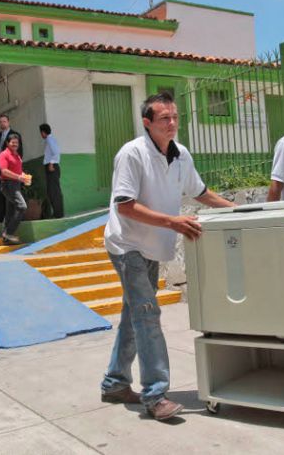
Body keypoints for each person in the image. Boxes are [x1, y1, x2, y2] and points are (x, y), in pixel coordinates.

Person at [100, 92, 235, 421]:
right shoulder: (132, 154)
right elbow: (125, 205)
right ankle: (155, 393)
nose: (172, 123)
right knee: (147, 315)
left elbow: (200, 192)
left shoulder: (181, 155)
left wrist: (240, 211)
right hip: (127, 245)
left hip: (152, 246)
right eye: (164, 118)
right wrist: (173, 222)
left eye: (175, 117)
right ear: (147, 123)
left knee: (136, 315)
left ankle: (115, 383)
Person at [0, 114, 23, 221]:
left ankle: (14, 216)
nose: (2, 123)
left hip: (11, 168)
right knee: (0, 191)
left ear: (8, 122)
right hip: (0, 167)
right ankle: (1, 216)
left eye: (4, 121)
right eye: (0, 122)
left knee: (12, 191)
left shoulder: (15, 134)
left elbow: (20, 152)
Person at [0, 133, 30, 245]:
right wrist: (19, 177)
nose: (15, 144)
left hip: (15, 184)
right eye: (13, 142)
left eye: (17, 143)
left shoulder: (17, 155)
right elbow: (4, 171)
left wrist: (24, 176)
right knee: (22, 206)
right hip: (8, 184)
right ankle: (8, 233)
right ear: (7, 143)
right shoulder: (4, 155)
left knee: (10, 211)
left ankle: (6, 238)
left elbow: (18, 171)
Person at [39, 123, 64, 218]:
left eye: (41, 132)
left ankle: (58, 214)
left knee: (54, 191)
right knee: (52, 191)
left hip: (52, 168)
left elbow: (56, 152)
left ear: (43, 132)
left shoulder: (49, 139)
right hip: (51, 167)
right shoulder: (50, 139)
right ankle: (58, 212)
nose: (41, 135)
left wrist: (51, 163)